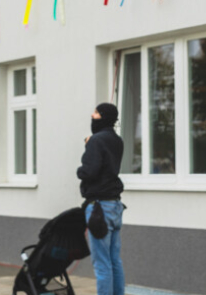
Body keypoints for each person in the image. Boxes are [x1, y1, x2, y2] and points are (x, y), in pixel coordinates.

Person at [78, 103, 126, 295]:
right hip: (115, 205)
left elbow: (89, 171)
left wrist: (80, 168)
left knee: (102, 264)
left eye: (96, 112)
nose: (92, 114)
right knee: (114, 260)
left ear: (103, 116)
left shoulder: (97, 141)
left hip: (99, 208)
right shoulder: (117, 140)